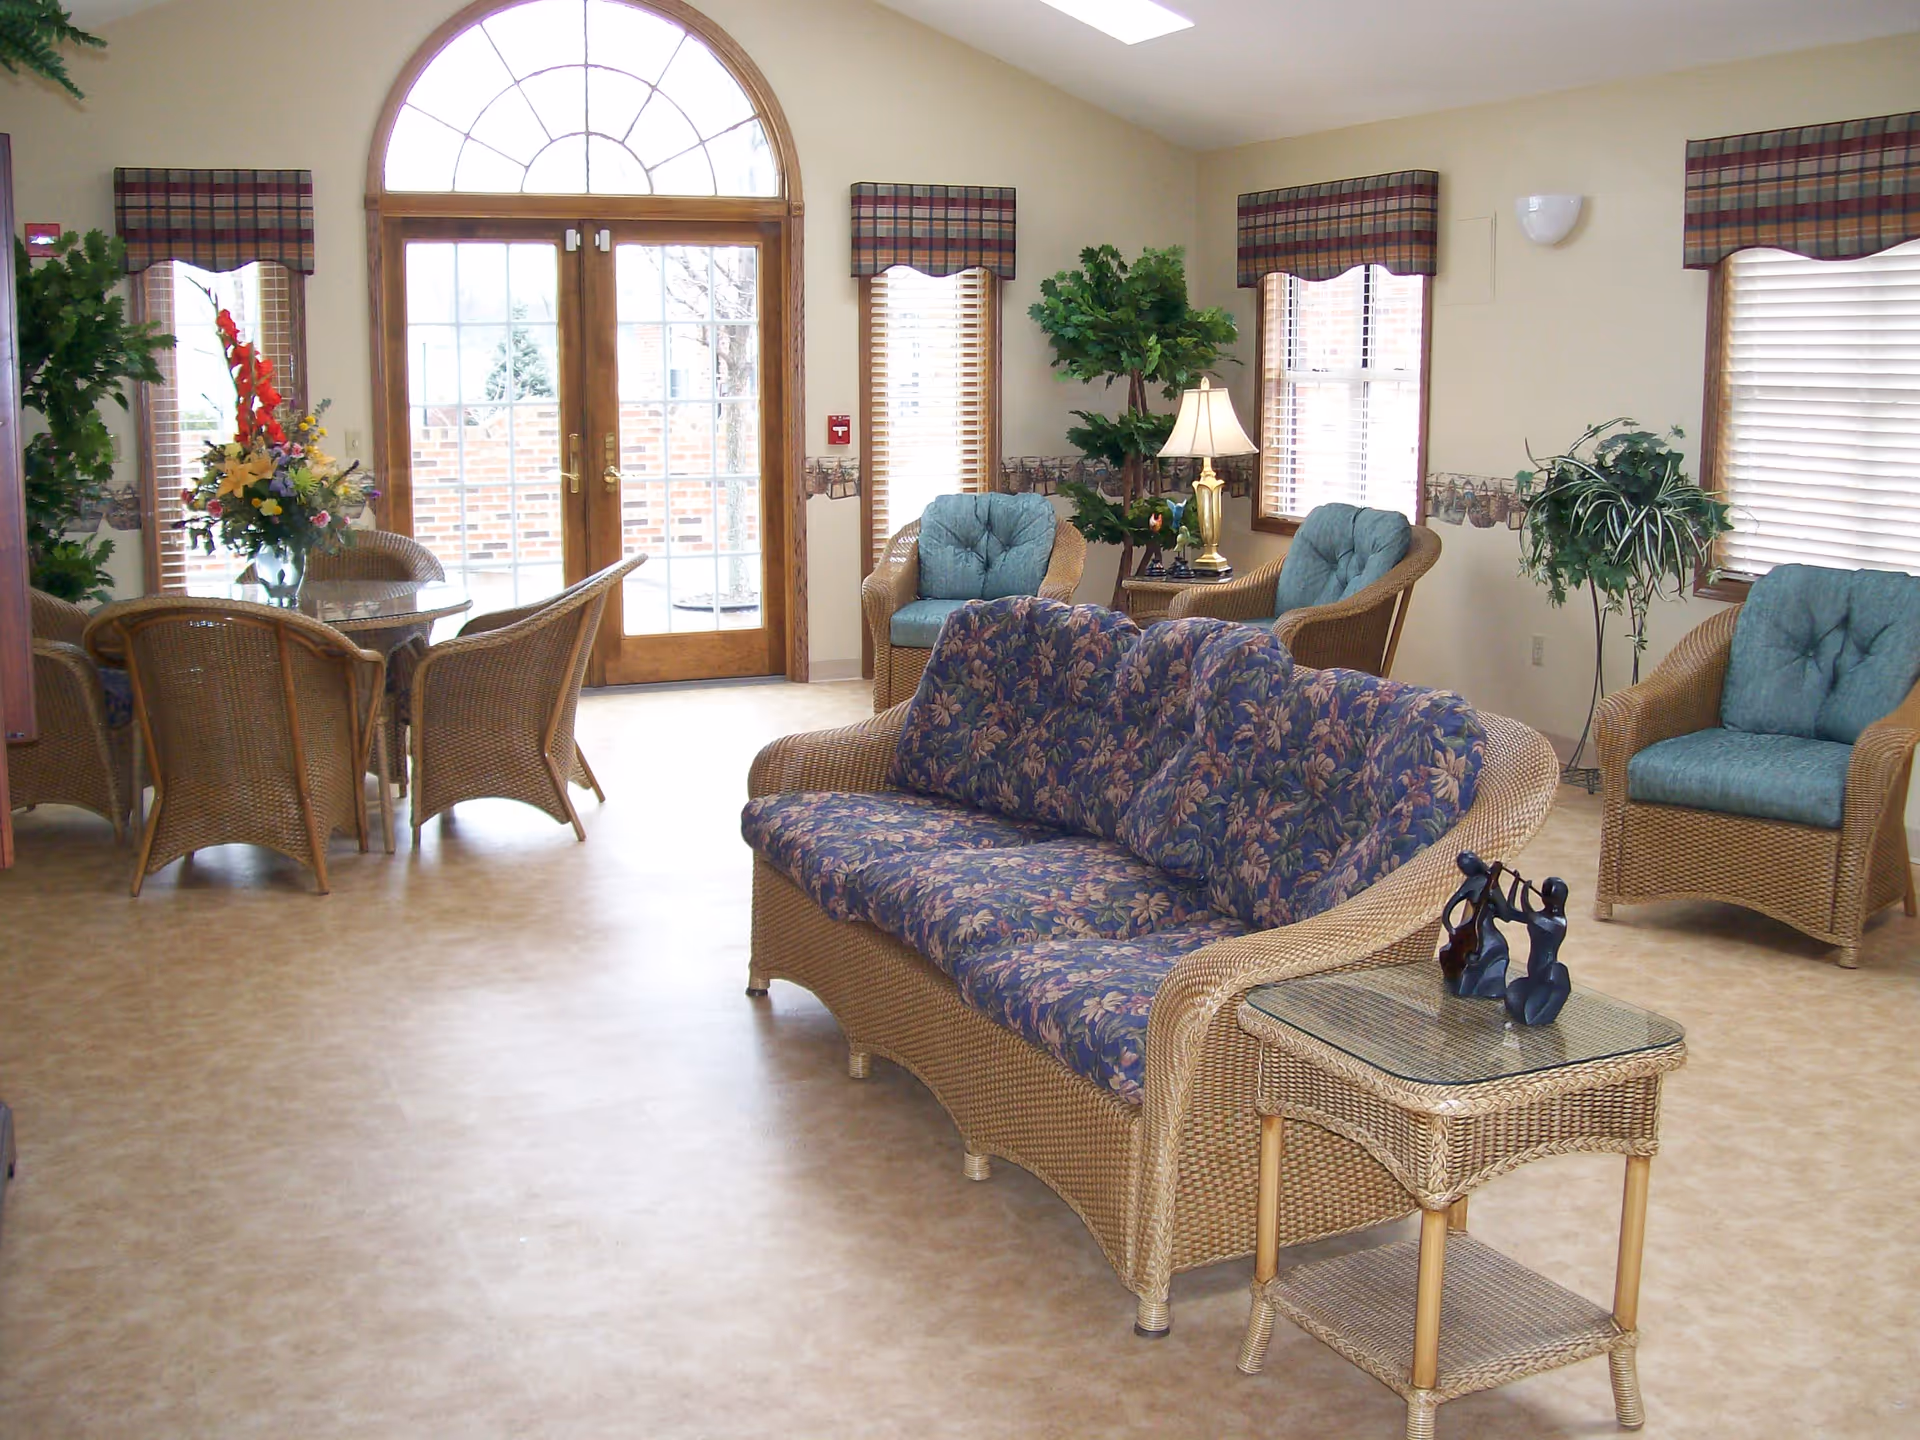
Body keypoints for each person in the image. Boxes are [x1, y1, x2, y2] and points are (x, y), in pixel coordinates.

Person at [1504, 876, 1572, 1025]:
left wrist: (1524, 894)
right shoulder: (1542, 916)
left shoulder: (1558, 923)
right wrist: (1516, 886)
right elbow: (1511, 912)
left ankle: (1536, 1010)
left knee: (1532, 1002)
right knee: (1516, 992)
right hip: (1534, 968)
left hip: (1546, 970)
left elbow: (1530, 916)